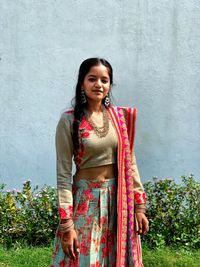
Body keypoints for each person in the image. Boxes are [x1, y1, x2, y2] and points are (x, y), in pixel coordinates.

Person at [51, 58, 149, 267]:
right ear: (82, 83)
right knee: (84, 258)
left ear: (110, 85)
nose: (99, 84)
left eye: (104, 80)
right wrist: (67, 224)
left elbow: (130, 162)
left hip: (119, 199)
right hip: (87, 201)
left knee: (116, 258)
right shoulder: (68, 121)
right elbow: (63, 173)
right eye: (92, 79)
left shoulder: (119, 118)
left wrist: (139, 206)